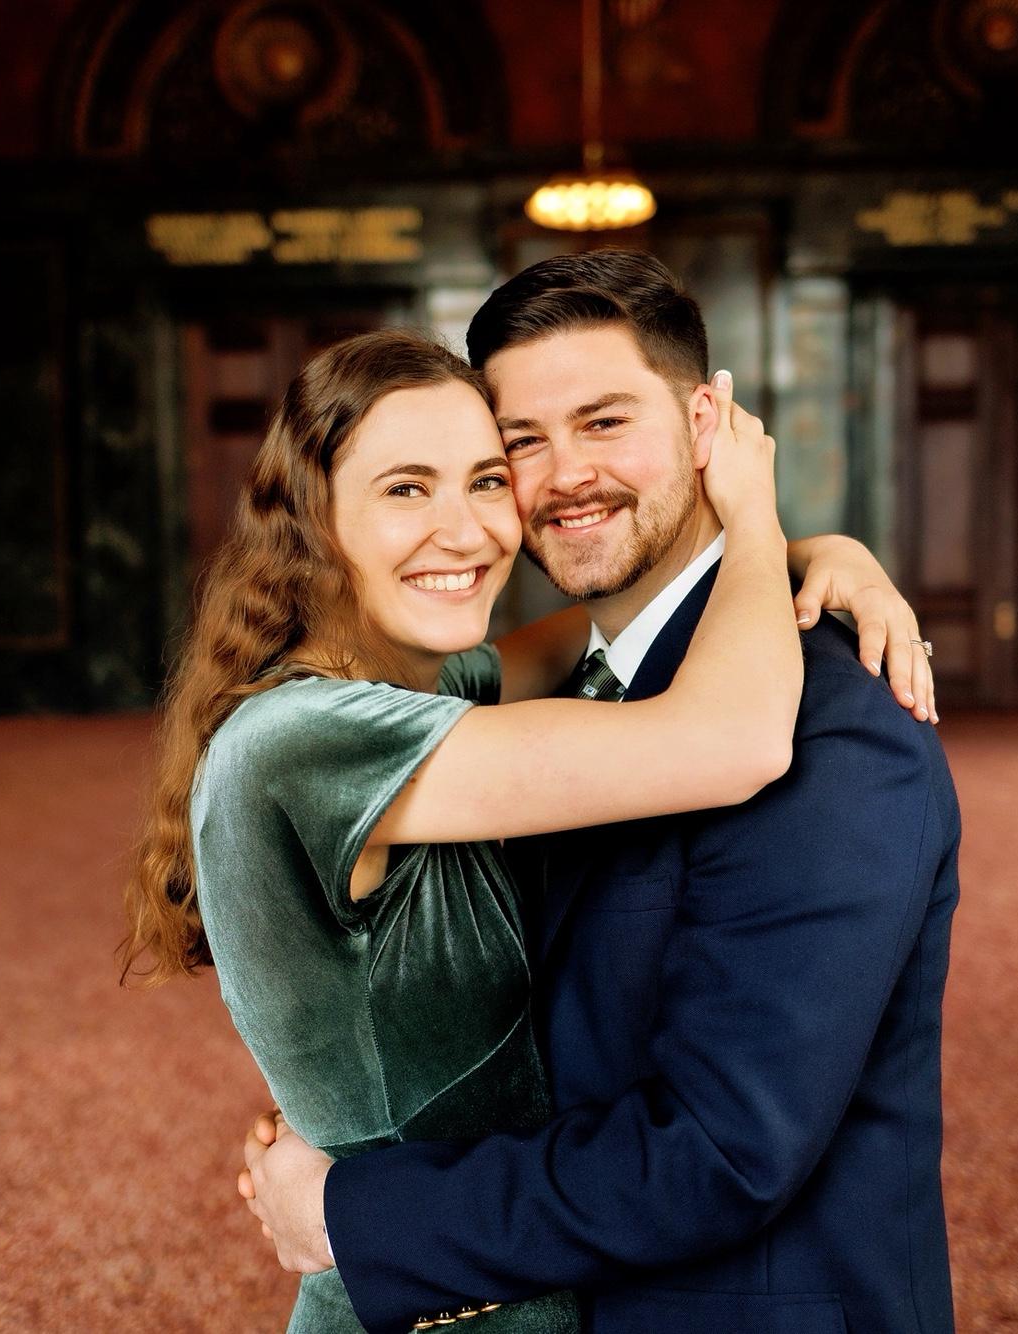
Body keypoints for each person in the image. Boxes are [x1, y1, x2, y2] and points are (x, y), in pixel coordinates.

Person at [239, 252, 959, 1334]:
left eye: (603, 420)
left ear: (707, 421)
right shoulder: (556, 688)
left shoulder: (834, 723)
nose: (563, 473)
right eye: (519, 443)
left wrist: (360, 1215)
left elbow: (720, 1150)